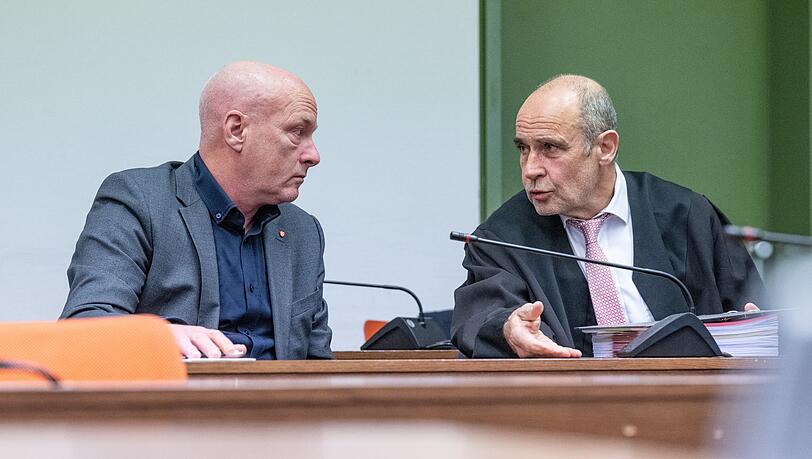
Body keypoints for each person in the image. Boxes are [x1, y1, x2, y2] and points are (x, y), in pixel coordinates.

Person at [452, 75, 764, 358]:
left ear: (605, 147)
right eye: (523, 148)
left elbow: (749, 313)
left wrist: (759, 328)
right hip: (568, 411)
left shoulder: (687, 216)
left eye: (550, 148)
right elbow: (483, 313)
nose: (531, 168)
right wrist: (508, 328)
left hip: (692, 405)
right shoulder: (502, 239)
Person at [61, 61, 332, 360]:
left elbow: (319, 361)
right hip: (179, 401)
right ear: (236, 130)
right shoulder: (139, 200)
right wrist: (161, 335)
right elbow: (85, 325)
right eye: (297, 132)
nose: (313, 155)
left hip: (283, 403)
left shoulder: (303, 231)